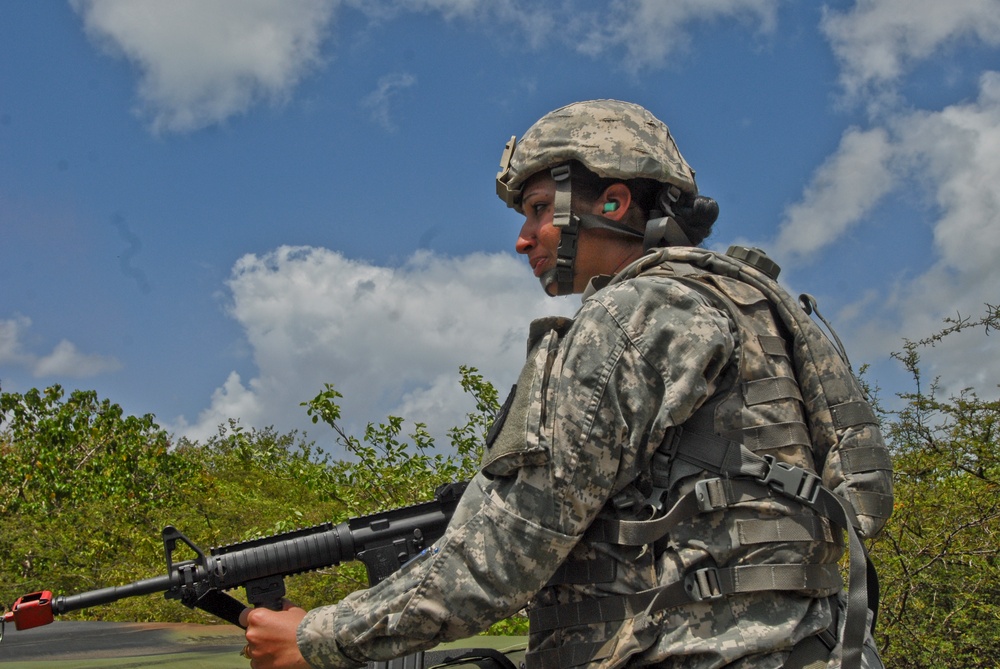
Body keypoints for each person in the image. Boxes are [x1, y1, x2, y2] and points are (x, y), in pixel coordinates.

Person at [241, 99, 891, 669]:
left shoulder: (625, 316)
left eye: (537, 209)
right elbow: (866, 502)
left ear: (613, 202)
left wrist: (317, 636)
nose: (523, 240)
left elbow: (501, 557)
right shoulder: (767, 306)